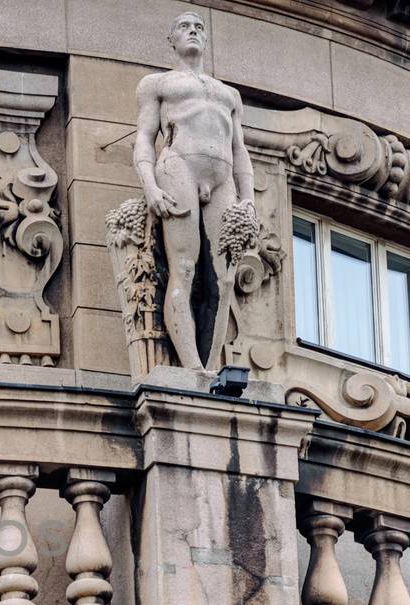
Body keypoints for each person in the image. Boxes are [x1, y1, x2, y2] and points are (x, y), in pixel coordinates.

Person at [133, 13, 254, 368]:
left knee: (225, 277)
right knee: (183, 269)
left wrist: (248, 199)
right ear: (172, 39)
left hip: (222, 178)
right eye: (185, 27)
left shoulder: (228, 94)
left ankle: (209, 366)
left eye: (200, 27)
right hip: (178, 166)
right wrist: (150, 186)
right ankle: (192, 368)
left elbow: (240, 150)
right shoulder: (158, 84)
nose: (194, 32)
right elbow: (143, 137)